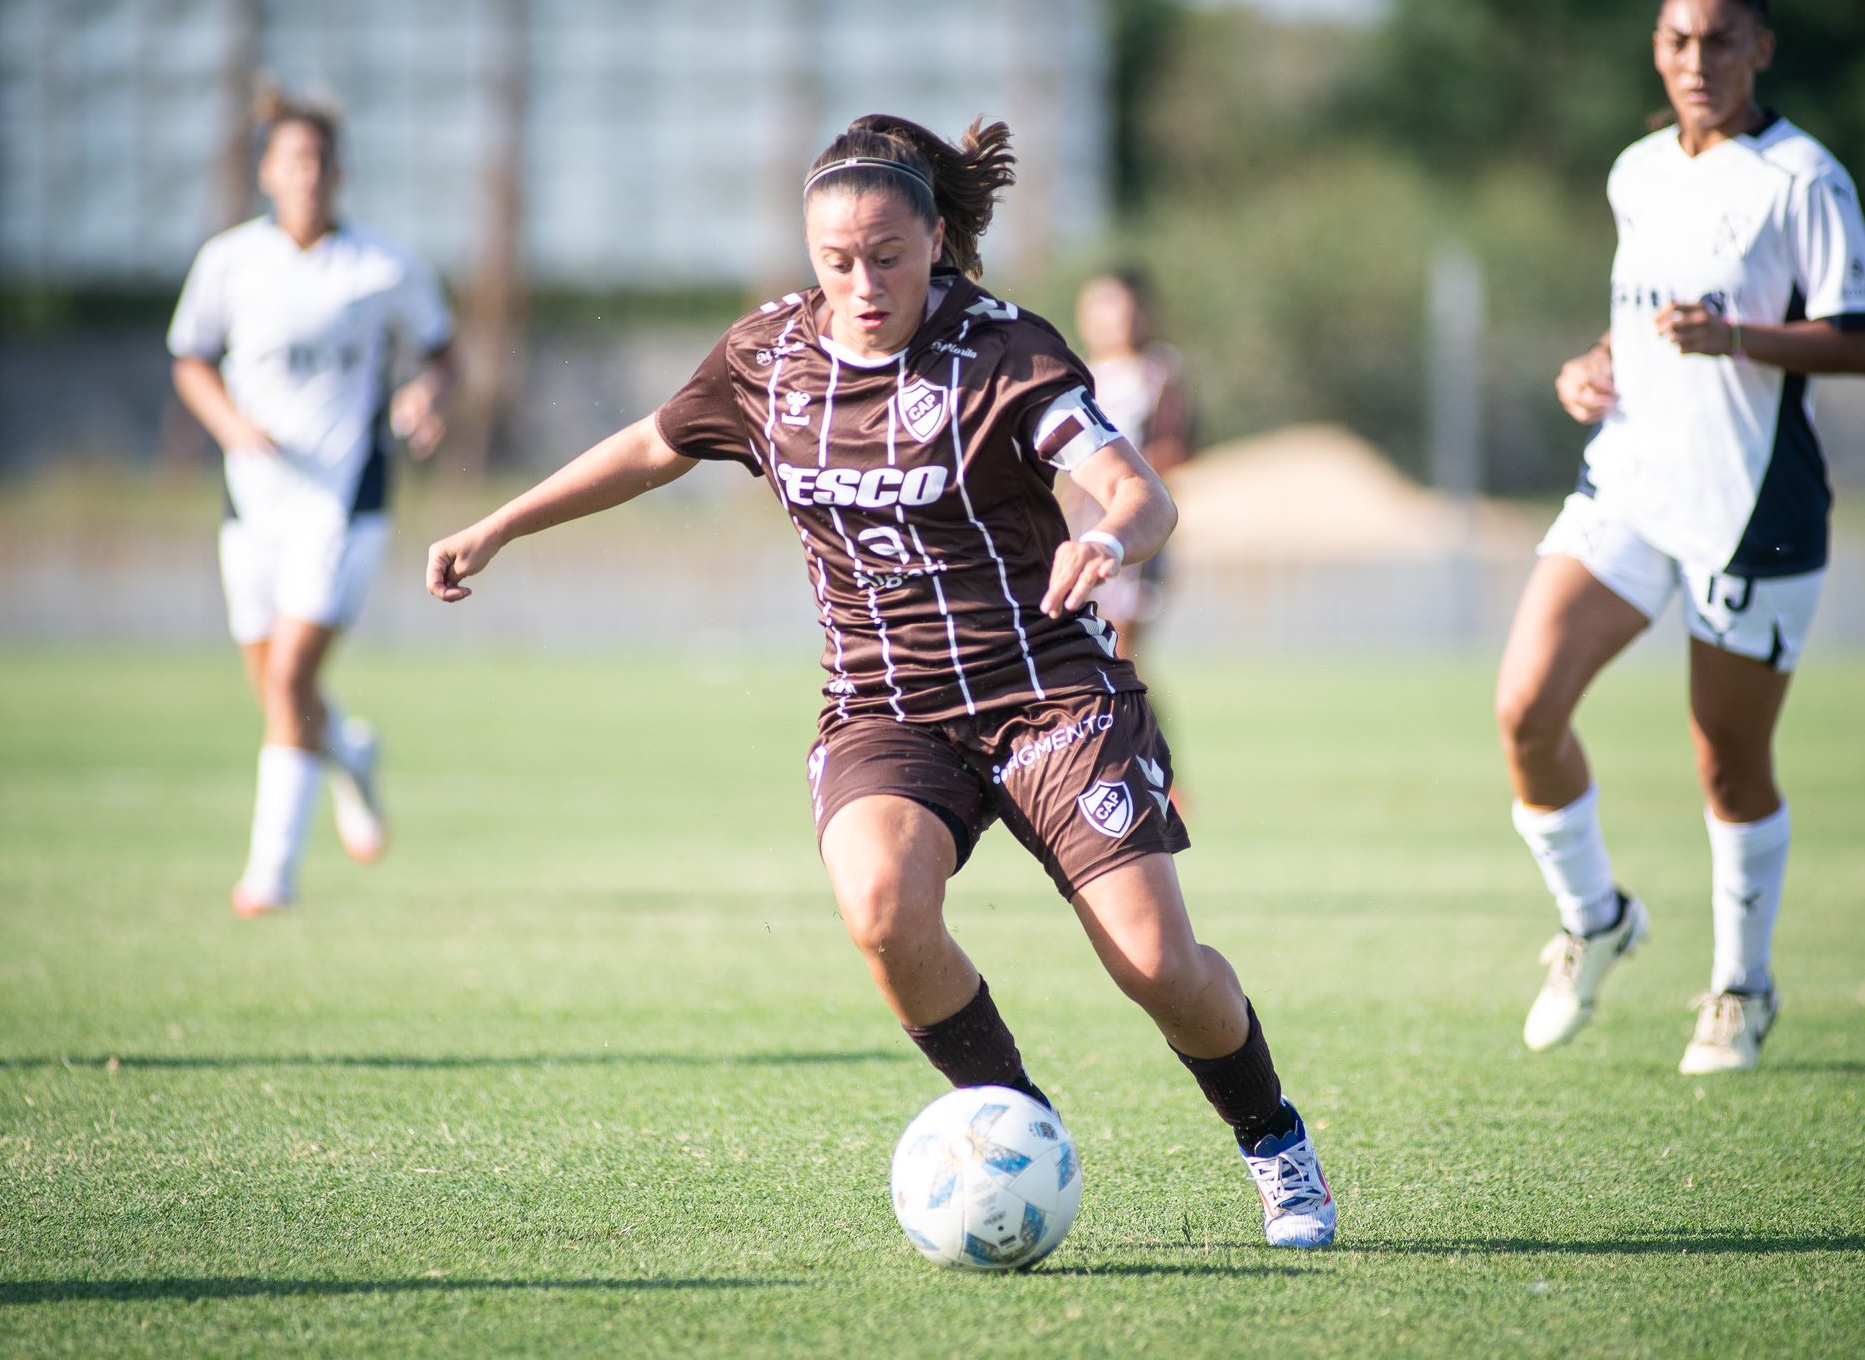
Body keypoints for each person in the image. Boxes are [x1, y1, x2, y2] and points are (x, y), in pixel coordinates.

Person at [427, 114, 1337, 1247]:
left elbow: (1136, 486)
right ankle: (1013, 1130)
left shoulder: (1005, 353)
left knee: (1158, 964)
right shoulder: (768, 360)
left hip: (1045, 690)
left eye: (888, 258)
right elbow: (650, 447)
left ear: (938, 240)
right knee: (880, 909)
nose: (862, 284)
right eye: (836, 261)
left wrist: (1110, 537)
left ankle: (1273, 1143)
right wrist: (502, 523)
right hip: (886, 706)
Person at [1496, 0, 1865, 1073]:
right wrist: (1594, 365)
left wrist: (1736, 339)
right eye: (1677, 39)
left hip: (1747, 507)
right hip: (1625, 485)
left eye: (1720, 39)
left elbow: (1860, 342)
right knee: (1524, 708)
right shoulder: (1634, 169)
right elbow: (1640, 317)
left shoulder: (1802, 177)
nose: (1698, 59)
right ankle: (1594, 918)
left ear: (1760, 45)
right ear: (1654, 50)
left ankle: (1738, 988)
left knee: (1726, 762)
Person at [169, 94, 457, 917]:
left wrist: (425, 401)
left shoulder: (383, 267)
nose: (308, 174)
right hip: (252, 504)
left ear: (341, 172)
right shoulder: (229, 262)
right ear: (266, 171)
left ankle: (272, 873)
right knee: (277, 692)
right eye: (293, 159)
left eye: (322, 160)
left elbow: (445, 355)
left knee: (293, 675)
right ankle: (354, 757)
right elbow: (190, 361)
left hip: (344, 500)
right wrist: (231, 425)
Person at [1063, 269, 1196, 668]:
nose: (1109, 318)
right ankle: (1127, 726)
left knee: (1122, 649)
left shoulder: (1157, 372)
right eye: (1098, 307)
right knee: (1090, 646)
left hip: (1133, 523)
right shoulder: (1077, 373)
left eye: (1119, 307)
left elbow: (1177, 445)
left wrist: (1125, 475)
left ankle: (1140, 728)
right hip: (1082, 526)